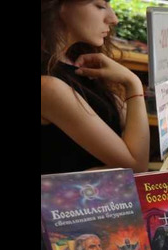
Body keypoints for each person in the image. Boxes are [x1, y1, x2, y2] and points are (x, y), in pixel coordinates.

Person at [41, 0, 150, 175]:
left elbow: (123, 120)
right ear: (58, 6)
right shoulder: (49, 86)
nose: (113, 19)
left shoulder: (76, 61)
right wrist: (132, 83)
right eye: (100, 6)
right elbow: (136, 166)